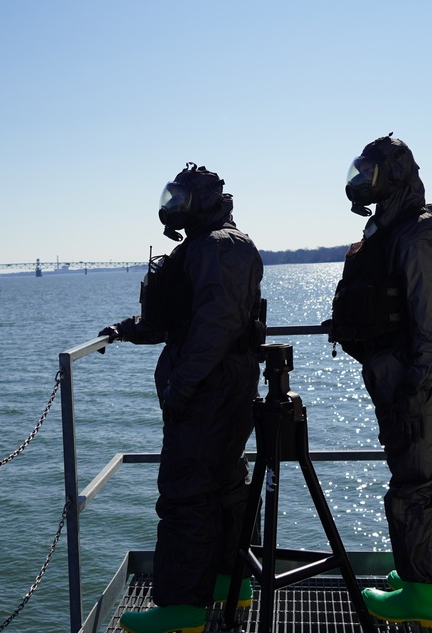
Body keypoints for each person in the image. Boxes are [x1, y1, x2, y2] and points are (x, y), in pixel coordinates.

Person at [98, 163, 264, 633]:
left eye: (180, 200)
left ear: (202, 203)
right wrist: (127, 330)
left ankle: (181, 608)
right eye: (170, 199)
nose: (172, 208)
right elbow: (180, 317)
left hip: (210, 388)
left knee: (186, 491)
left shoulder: (219, 248)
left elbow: (216, 327)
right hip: (215, 383)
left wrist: (183, 384)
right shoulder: (202, 247)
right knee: (223, 482)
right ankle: (228, 581)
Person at [329, 135, 432, 629]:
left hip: (415, 381)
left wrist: (414, 388)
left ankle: (423, 595)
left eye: (369, 173)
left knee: (416, 486)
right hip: (401, 377)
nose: (359, 181)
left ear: (393, 174)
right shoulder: (392, 229)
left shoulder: (421, 233)